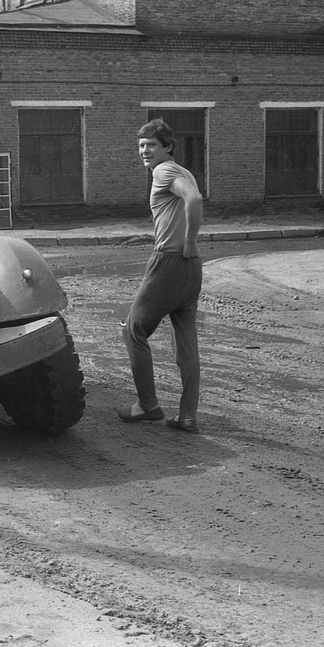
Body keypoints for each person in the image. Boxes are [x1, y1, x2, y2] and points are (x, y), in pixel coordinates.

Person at [118, 118, 204, 432]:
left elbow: (193, 200)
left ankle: (147, 406)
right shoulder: (184, 171)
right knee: (186, 344)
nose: (144, 151)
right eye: (141, 145)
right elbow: (187, 200)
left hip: (168, 261)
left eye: (151, 145)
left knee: (133, 332)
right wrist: (191, 245)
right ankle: (187, 416)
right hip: (191, 267)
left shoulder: (163, 170)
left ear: (167, 147)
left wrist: (189, 240)